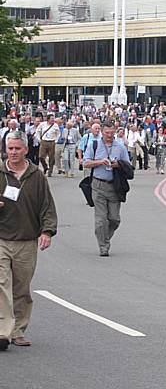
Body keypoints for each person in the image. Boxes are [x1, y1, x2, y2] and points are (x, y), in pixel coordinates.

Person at [0, 131, 57, 351]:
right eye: (10, 148)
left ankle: (18, 330)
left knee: (21, 288)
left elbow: (47, 207)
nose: (13, 153)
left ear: (25, 149)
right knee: (2, 285)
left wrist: (47, 231)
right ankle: (3, 332)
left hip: (26, 240)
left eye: (17, 148)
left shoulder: (36, 176)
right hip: (2, 239)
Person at [83, 122, 131, 256]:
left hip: (115, 186)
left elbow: (128, 166)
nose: (109, 135)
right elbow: (85, 163)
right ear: (101, 132)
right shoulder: (94, 144)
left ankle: (104, 238)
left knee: (114, 219)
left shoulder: (120, 147)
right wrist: (99, 162)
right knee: (100, 220)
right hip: (98, 185)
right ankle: (103, 246)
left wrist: (118, 165)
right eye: (106, 133)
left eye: (111, 133)